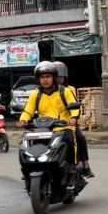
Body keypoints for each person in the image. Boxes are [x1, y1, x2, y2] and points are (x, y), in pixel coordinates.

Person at [16, 61, 81, 189]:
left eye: (48, 77)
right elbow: (28, 110)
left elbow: (74, 106)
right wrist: (23, 120)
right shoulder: (36, 95)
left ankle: (71, 173)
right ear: (38, 79)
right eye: (42, 77)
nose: (45, 80)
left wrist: (73, 117)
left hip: (63, 128)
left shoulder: (65, 91)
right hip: (42, 129)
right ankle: (29, 171)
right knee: (26, 145)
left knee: (71, 141)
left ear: (54, 77)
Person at [53, 61, 95, 179]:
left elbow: (75, 105)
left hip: (67, 123)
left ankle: (86, 166)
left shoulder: (69, 89)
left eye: (60, 77)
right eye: (56, 77)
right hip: (49, 124)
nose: (58, 79)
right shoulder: (41, 92)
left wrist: (73, 118)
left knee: (80, 138)